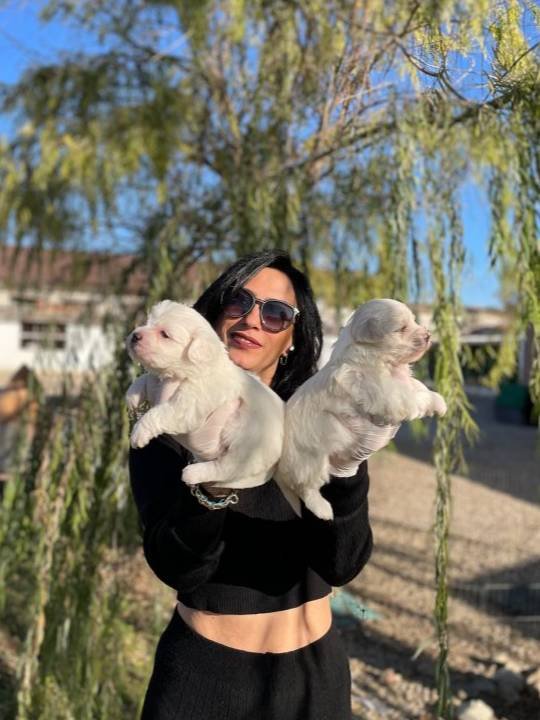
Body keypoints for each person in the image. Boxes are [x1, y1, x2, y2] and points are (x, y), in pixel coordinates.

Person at [129, 249, 397, 720]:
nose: (252, 319)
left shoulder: (315, 416)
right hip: (206, 681)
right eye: (238, 301)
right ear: (211, 319)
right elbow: (177, 565)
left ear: (292, 338)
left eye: (276, 313)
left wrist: (346, 469)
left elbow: (342, 562)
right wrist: (211, 479)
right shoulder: (166, 421)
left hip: (316, 680)